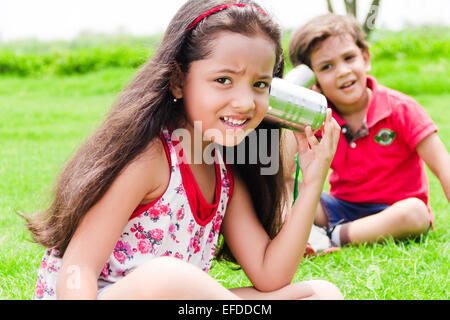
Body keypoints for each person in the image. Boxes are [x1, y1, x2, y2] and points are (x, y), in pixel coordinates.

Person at [24, 0, 342, 300]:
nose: (245, 103)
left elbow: (270, 274)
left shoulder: (223, 173)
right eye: (223, 80)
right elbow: (79, 267)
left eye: (260, 85)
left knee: (320, 292)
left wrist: (314, 179)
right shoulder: (148, 159)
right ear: (178, 80)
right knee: (167, 276)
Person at [285, 13, 450, 248]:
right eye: (327, 66)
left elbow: (444, 167)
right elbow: (284, 171)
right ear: (314, 80)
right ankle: (331, 232)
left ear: (365, 58)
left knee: (416, 212)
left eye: (349, 58)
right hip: (340, 207)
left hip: (394, 211)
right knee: (282, 189)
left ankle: (332, 236)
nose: (342, 71)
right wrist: (297, 103)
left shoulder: (401, 108)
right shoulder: (319, 117)